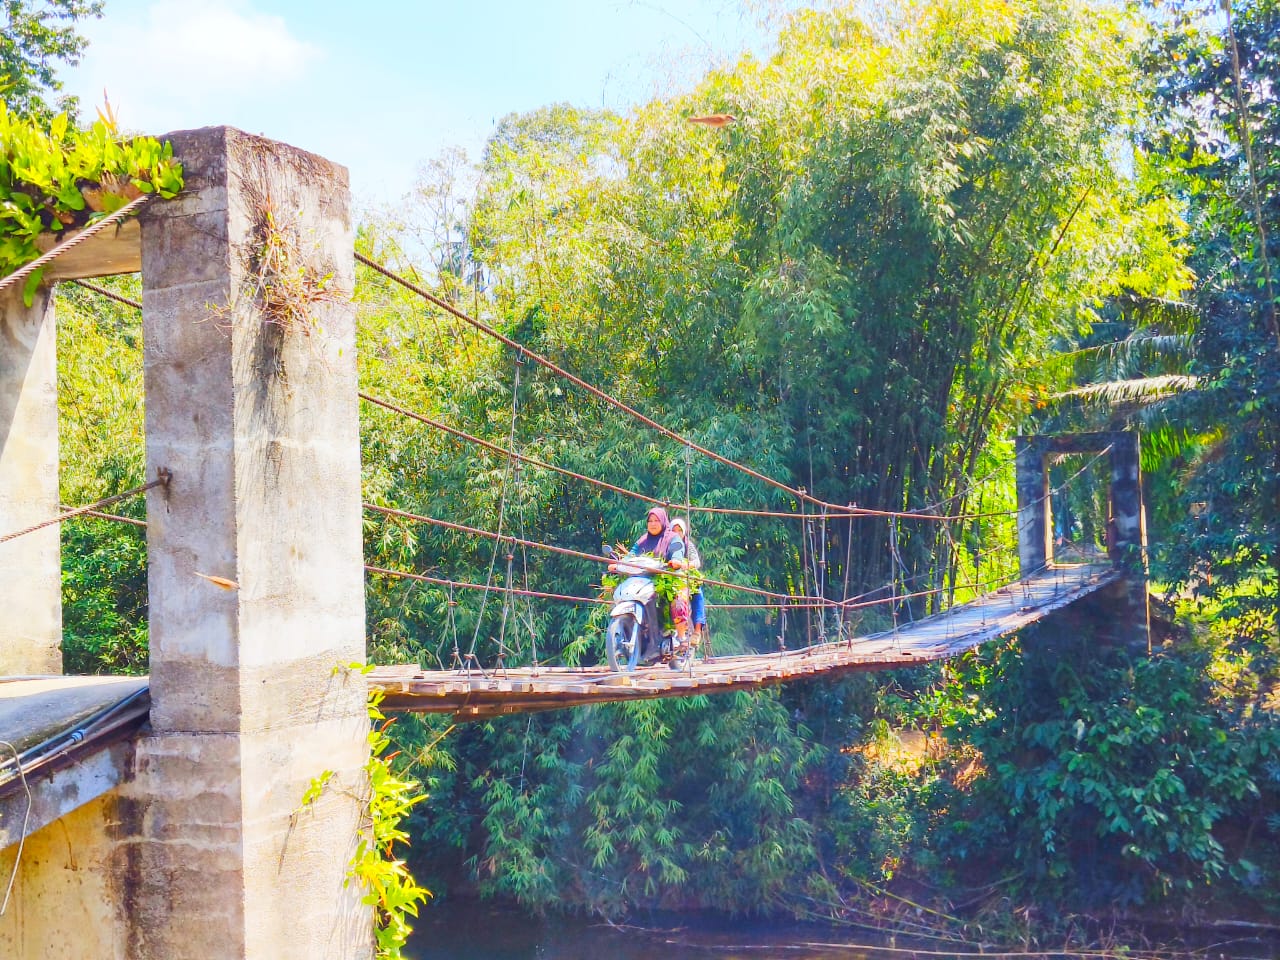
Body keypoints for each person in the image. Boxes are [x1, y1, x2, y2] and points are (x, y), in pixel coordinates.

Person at [614, 506, 690, 642]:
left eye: (656, 520)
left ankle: (681, 638)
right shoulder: (643, 540)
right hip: (645, 579)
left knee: (677, 602)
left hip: (670, 578)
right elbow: (631, 555)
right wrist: (618, 564)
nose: (653, 524)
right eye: (650, 521)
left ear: (663, 521)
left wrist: (676, 561)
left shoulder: (673, 538)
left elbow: (678, 552)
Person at [669, 516, 706, 649]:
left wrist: (685, 565)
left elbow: (697, 562)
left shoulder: (687, 544)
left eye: (680, 530)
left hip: (685, 576)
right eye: (674, 530)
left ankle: (697, 630)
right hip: (669, 576)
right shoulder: (666, 543)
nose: (677, 533)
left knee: (697, 593)